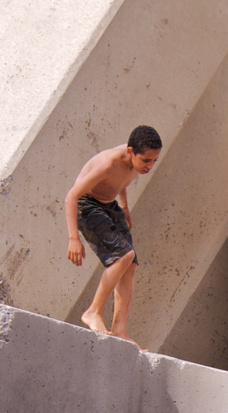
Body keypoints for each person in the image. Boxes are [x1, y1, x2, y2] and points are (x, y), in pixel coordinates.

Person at [65, 125, 163, 345]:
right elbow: (71, 197)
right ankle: (93, 312)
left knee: (131, 264)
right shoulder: (107, 164)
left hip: (109, 206)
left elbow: (120, 181)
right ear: (130, 152)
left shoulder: (133, 164)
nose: (150, 166)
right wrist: (74, 238)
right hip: (86, 205)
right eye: (146, 160)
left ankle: (119, 329)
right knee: (123, 255)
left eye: (154, 161)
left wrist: (125, 207)